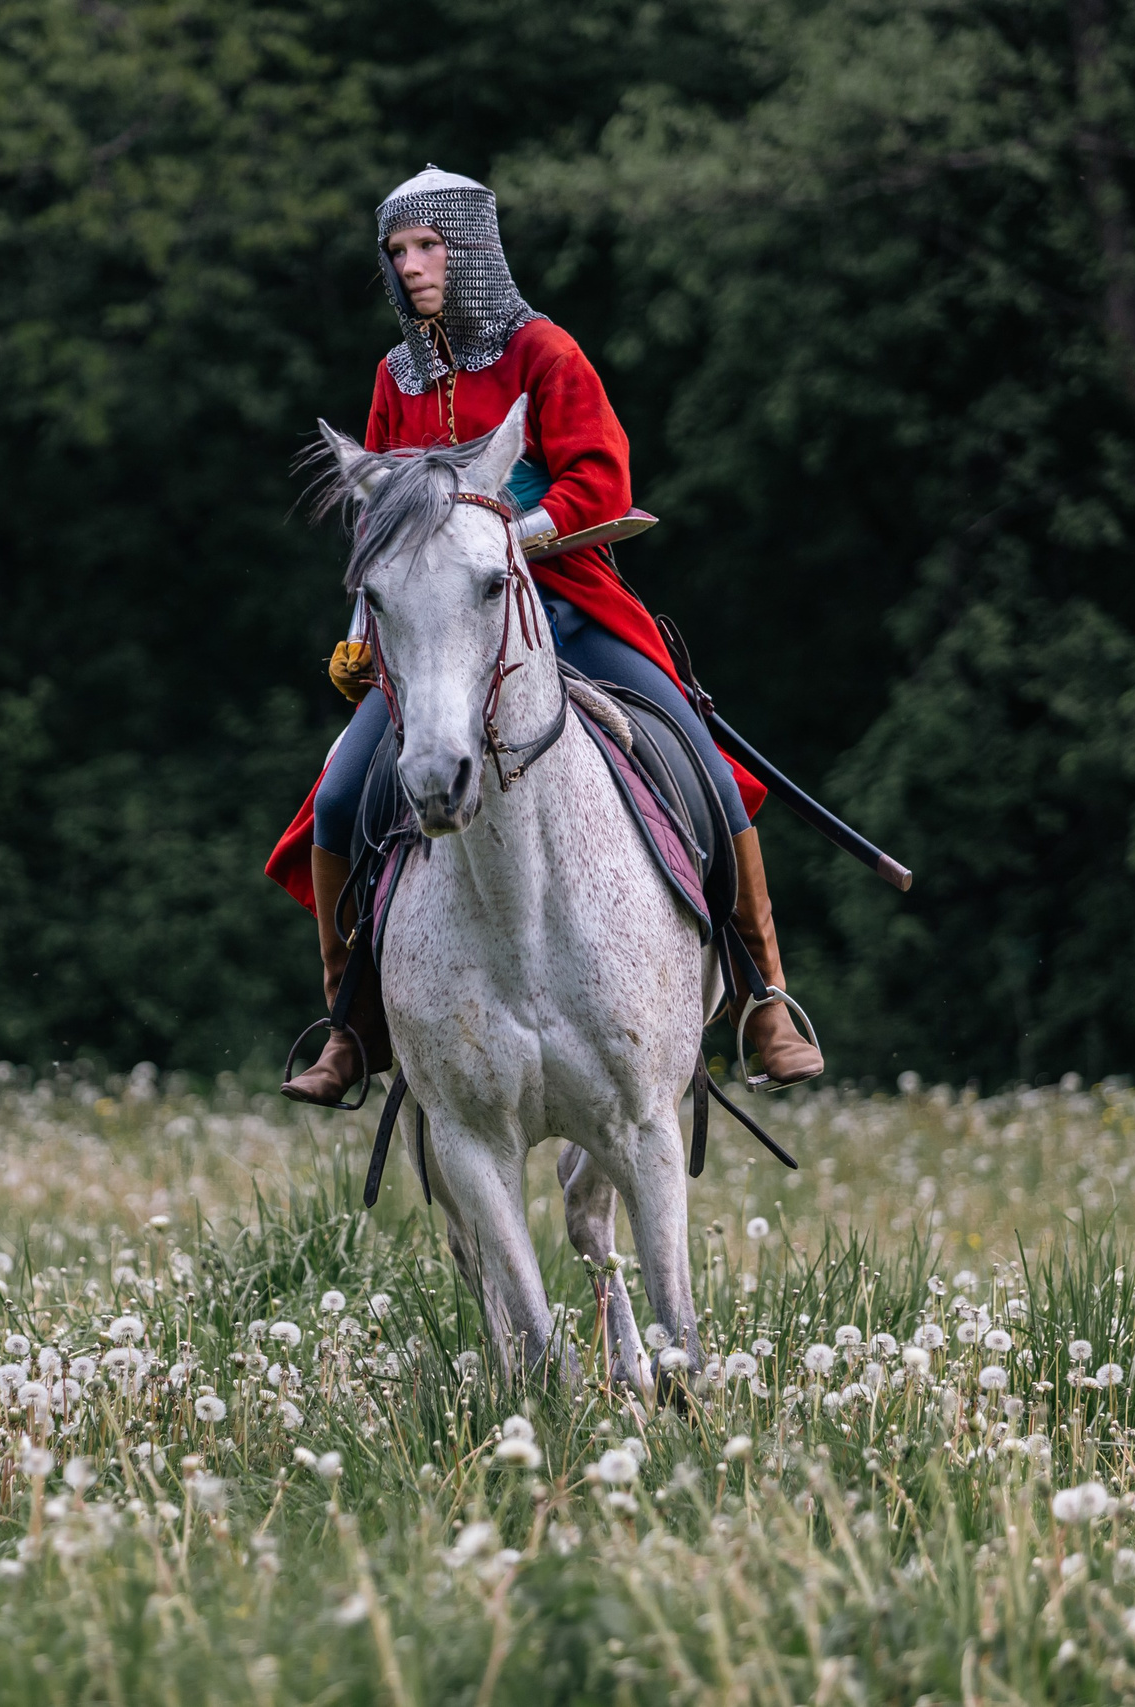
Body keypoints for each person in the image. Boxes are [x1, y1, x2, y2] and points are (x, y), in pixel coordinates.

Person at [269, 165, 823, 1105]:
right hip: (441, 632)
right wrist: (363, 626)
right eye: (397, 252)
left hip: (565, 604)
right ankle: (352, 1023)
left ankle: (765, 995)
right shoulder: (392, 380)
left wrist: (507, 539)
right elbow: (379, 526)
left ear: (471, 248)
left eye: (428, 247)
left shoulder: (545, 353)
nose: (410, 267)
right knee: (336, 802)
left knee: (701, 764)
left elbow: (601, 483)